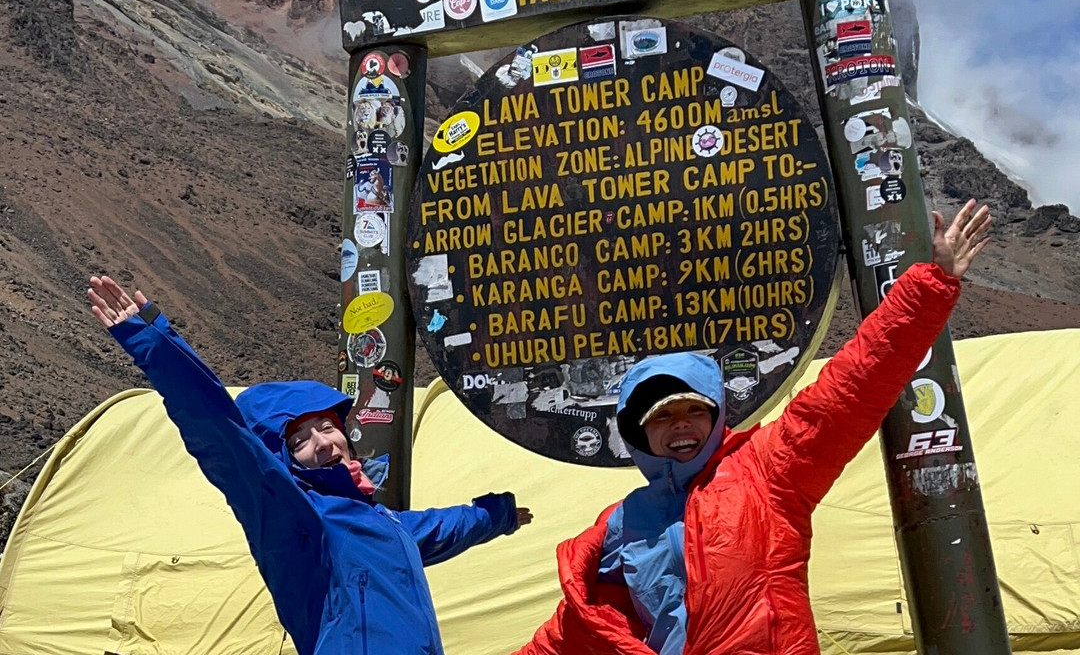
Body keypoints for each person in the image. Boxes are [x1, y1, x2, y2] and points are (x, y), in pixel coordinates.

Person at [513, 199, 992, 655]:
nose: (680, 424)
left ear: (717, 416)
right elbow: (569, 632)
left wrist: (930, 286)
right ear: (639, 433)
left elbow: (849, 392)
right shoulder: (622, 524)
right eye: (661, 416)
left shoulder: (766, 473)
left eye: (693, 410)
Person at [87, 276, 532, 655]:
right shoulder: (292, 514)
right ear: (284, 460)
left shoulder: (385, 522)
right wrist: (153, 341)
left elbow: (443, 528)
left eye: (326, 426)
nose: (321, 443)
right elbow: (221, 433)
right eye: (299, 441)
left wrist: (499, 515)